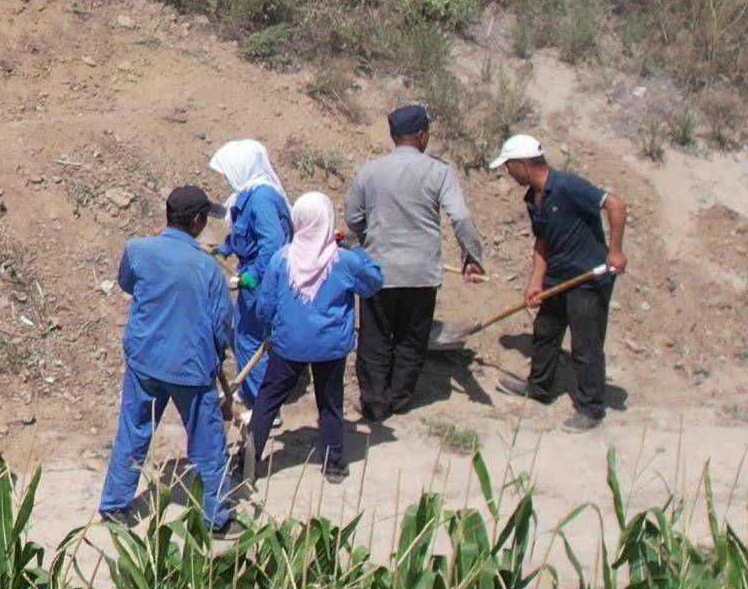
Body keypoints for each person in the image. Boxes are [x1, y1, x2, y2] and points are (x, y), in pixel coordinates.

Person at [98, 185, 238, 534]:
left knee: (133, 430)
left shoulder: (137, 250)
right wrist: (217, 357)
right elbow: (222, 324)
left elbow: (128, 283)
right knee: (207, 442)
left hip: (145, 359)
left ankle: (115, 504)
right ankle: (217, 517)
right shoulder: (208, 269)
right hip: (190, 367)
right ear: (197, 221)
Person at [341, 105, 483, 422]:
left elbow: (352, 217)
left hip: (380, 269)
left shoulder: (370, 171)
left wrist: (367, 239)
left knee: (375, 337)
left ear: (393, 136)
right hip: (422, 271)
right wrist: (471, 256)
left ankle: (376, 404)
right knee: (411, 337)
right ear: (422, 135)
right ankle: (401, 398)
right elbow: (459, 217)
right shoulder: (439, 172)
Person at [492, 135, 625, 432]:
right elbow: (542, 241)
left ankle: (591, 409)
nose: (508, 173)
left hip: (587, 278)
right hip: (558, 278)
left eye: (509, 166)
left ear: (524, 164)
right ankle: (539, 389)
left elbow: (615, 205)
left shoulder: (567, 186)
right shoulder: (533, 197)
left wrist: (615, 250)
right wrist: (535, 282)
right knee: (545, 332)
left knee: (586, 344)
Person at [252, 192, 386, 484]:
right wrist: (354, 247)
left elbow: (266, 304)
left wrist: (269, 332)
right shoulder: (344, 261)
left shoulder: (281, 260)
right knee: (330, 402)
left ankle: (246, 462)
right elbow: (374, 281)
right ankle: (334, 463)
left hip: (289, 344)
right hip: (330, 346)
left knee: (268, 400)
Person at [207, 139, 289, 402]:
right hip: (250, 278)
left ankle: (262, 403)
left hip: (262, 282)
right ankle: (255, 393)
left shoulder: (262, 198)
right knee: (245, 335)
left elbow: (273, 244)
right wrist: (225, 249)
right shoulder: (248, 195)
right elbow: (243, 234)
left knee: (252, 338)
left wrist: (254, 274)